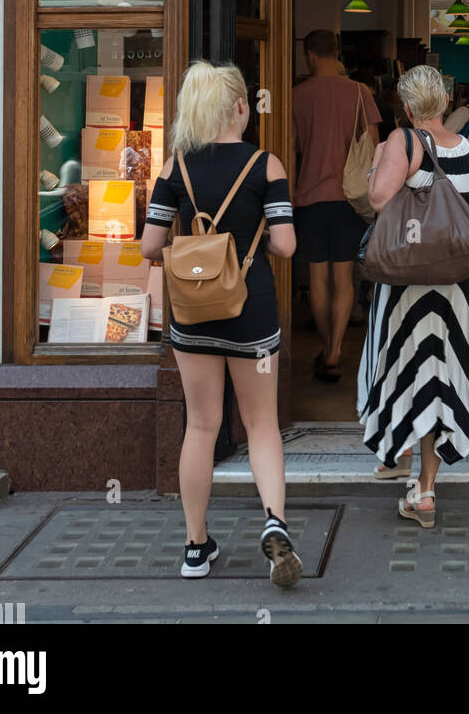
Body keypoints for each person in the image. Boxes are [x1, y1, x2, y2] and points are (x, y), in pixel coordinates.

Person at [139, 61, 301, 586]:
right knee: (261, 424)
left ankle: (194, 547)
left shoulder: (174, 167)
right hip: (250, 312)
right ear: (239, 107)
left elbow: (149, 246)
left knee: (202, 426)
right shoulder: (265, 165)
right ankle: (274, 522)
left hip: (192, 315)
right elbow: (286, 244)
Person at [360, 65, 469, 522]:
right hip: (458, 288)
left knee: (407, 374)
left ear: (408, 105)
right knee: (440, 383)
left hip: (407, 286)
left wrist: (380, 157)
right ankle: (426, 491)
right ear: (446, 101)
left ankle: (396, 454)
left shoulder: (406, 141)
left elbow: (377, 198)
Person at [292, 30, 380, 381]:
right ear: (337, 52)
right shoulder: (361, 93)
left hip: (309, 197)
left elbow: (288, 147)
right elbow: (374, 145)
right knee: (345, 277)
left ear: (309, 54)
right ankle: (338, 349)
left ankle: (327, 346)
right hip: (350, 197)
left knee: (318, 276)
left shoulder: (297, 96)